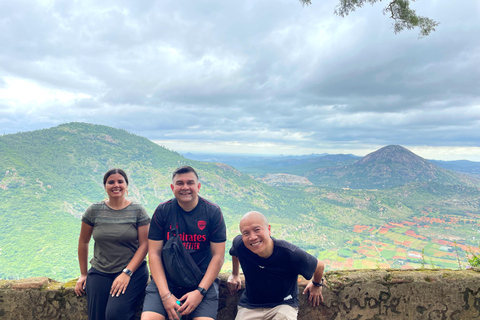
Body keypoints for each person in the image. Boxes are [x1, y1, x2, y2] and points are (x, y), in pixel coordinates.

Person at [142, 166, 226, 320]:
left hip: (201, 282)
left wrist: (200, 292)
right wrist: (165, 295)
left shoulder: (212, 212)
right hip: (166, 281)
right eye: (180, 183)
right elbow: (153, 253)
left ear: (198, 187)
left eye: (190, 183)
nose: (185, 187)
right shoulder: (163, 211)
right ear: (172, 188)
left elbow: (218, 256)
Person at [75, 168, 150, 320]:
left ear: (126, 185)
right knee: (97, 316)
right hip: (100, 270)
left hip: (133, 271)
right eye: (111, 182)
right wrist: (83, 274)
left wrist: (127, 272)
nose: (116, 185)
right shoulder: (94, 211)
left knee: (115, 314)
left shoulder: (138, 211)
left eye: (120, 181)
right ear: (105, 186)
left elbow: (145, 245)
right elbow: (83, 241)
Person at [227, 211, 325, 320]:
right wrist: (235, 274)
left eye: (257, 230)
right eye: (246, 233)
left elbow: (319, 265)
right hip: (250, 304)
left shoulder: (290, 253)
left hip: (283, 303)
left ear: (268, 229)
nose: (252, 237)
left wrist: (316, 284)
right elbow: (235, 252)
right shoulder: (241, 245)